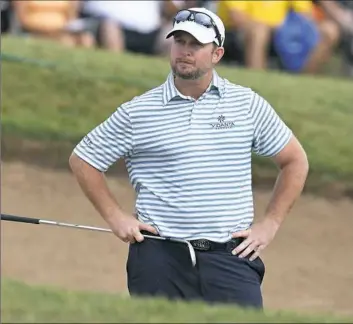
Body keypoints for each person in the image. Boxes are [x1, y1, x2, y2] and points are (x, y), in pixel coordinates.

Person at [69, 7, 309, 309]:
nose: (185, 51)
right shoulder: (139, 112)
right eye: (179, 41)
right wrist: (116, 217)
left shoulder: (246, 104)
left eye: (196, 44)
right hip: (159, 258)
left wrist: (270, 223)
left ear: (217, 54)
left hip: (230, 257)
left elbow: (295, 161)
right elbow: (84, 159)